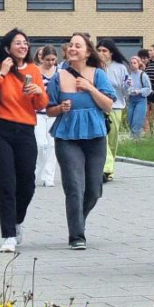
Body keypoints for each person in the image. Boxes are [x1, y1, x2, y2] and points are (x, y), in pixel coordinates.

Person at [0, 28, 50, 253]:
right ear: (7, 47)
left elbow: (41, 105)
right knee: (6, 183)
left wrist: (38, 91)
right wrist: (2, 73)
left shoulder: (34, 70)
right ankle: (8, 235)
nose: (23, 46)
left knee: (26, 183)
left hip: (26, 130)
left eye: (25, 43)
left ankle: (17, 222)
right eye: (18, 43)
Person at [47, 32, 119, 250]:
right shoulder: (58, 78)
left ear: (88, 52)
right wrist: (60, 108)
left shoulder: (98, 75)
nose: (73, 48)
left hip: (95, 136)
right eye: (70, 45)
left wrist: (90, 88)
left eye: (78, 46)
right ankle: (76, 234)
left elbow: (108, 105)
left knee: (94, 189)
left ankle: (79, 217)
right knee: (74, 186)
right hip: (67, 136)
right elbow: (48, 110)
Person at [97, 40, 125, 182]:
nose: (101, 53)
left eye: (104, 51)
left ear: (111, 53)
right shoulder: (94, 67)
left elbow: (126, 86)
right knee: (103, 138)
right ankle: (105, 168)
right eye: (99, 50)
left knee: (112, 140)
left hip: (116, 106)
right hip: (98, 107)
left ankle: (110, 169)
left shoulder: (120, 68)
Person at [34, 45, 62, 190]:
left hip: (53, 112)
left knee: (52, 145)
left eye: (53, 59)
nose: (50, 62)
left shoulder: (59, 72)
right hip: (38, 112)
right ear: (41, 58)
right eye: (47, 60)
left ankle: (48, 176)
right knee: (40, 144)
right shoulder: (35, 71)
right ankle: (35, 173)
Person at [126, 54, 151, 139]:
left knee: (137, 122)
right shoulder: (129, 75)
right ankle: (136, 138)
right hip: (131, 99)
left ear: (138, 64)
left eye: (134, 63)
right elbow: (126, 87)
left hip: (141, 100)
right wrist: (127, 86)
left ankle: (136, 140)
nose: (132, 65)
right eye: (131, 63)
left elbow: (148, 88)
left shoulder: (143, 75)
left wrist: (139, 91)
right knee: (129, 121)